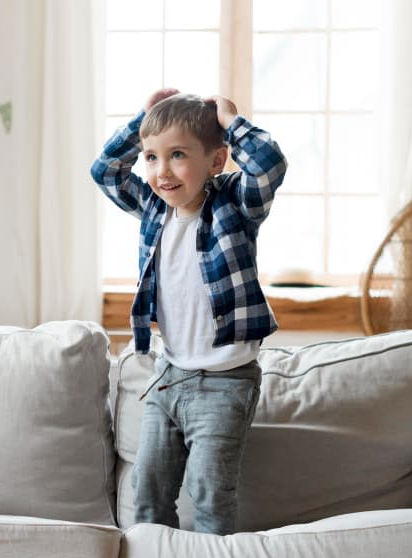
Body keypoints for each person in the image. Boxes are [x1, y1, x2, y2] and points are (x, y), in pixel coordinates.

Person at [90, 89, 287, 535]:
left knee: (209, 491)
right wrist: (141, 119)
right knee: (149, 492)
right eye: (152, 158)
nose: (162, 172)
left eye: (178, 155)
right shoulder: (154, 209)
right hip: (169, 375)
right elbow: (104, 170)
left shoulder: (235, 205)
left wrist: (231, 121)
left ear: (216, 161)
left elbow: (270, 164)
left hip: (225, 383)